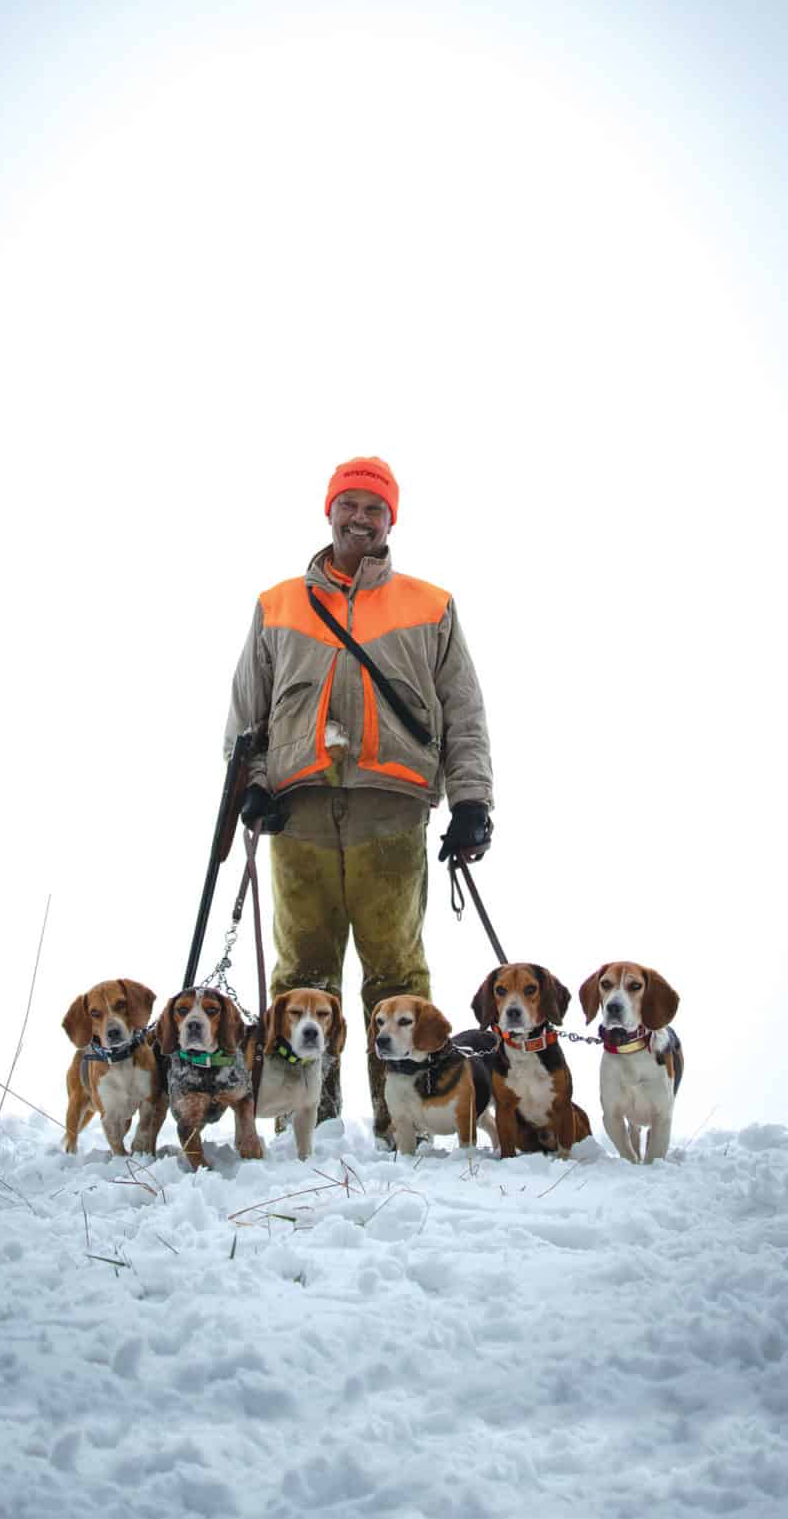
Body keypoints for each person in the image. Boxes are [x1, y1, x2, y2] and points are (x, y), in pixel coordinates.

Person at [224, 456, 494, 1141]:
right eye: (350, 504)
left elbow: (463, 712)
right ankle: (308, 1121)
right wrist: (252, 788)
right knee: (301, 976)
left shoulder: (430, 605)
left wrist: (471, 800)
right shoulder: (278, 604)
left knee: (396, 975)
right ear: (329, 510)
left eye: (376, 508)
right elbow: (245, 716)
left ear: (391, 520)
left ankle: (405, 1122)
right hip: (301, 812)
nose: (361, 517)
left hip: (390, 812)